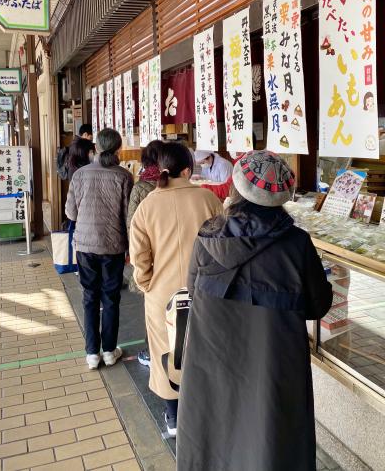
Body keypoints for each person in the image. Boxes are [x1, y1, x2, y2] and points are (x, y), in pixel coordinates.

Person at [177, 150, 333, 471]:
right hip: (274, 362)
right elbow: (318, 305)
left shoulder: (208, 236)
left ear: (235, 189)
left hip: (212, 357)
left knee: (214, 433)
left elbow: (193, 290)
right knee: (272, 439)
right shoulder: (297, 243)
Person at [129, 142, 222, 437]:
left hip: (162, 294)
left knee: (167, 352)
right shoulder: (208, 200)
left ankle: (173, 419)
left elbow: (139, 256)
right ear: (187, 169)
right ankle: (205, 414)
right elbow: (223, 246)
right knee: (205, 349)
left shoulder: (147, 206)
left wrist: (146, 285)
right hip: (206, 289)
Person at [66, 128, 133, 370]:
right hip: (112, 246)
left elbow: (70, 212)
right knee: (111, 298)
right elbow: (128, 217)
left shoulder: (80, 175)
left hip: (84, 244)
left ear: (96, 147)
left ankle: (92, 353)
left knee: (89, 297)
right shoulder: (124, 176)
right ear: (118, 149)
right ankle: (109, 351)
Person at [126, 139, 165, 367]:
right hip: (172, 250)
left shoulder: (141, 186)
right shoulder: (173, 182)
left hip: (149, 252)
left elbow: (132, 223)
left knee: (151, 304)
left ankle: (152, 351)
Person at [201, 133, 257, 201]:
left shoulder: (244, 164)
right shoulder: (254, 158)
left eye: (232, 144)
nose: (230, 148)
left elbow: (228, 189)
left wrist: (202, 188)